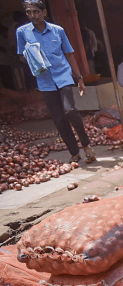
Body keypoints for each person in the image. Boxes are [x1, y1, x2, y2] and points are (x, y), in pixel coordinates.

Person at [16, 0, 95, 163]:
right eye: (29, 12)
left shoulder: (58, 31)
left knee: (70, 111)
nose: (33, 16)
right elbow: (21, 56)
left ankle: (86, 145)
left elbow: (69, 54)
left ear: (44, 12)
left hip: (63, 75)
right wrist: (30, 57)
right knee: (58, 118)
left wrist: (79, 78)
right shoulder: (22, 32)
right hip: (44, 80)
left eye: (36, 12)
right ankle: (74, 152)